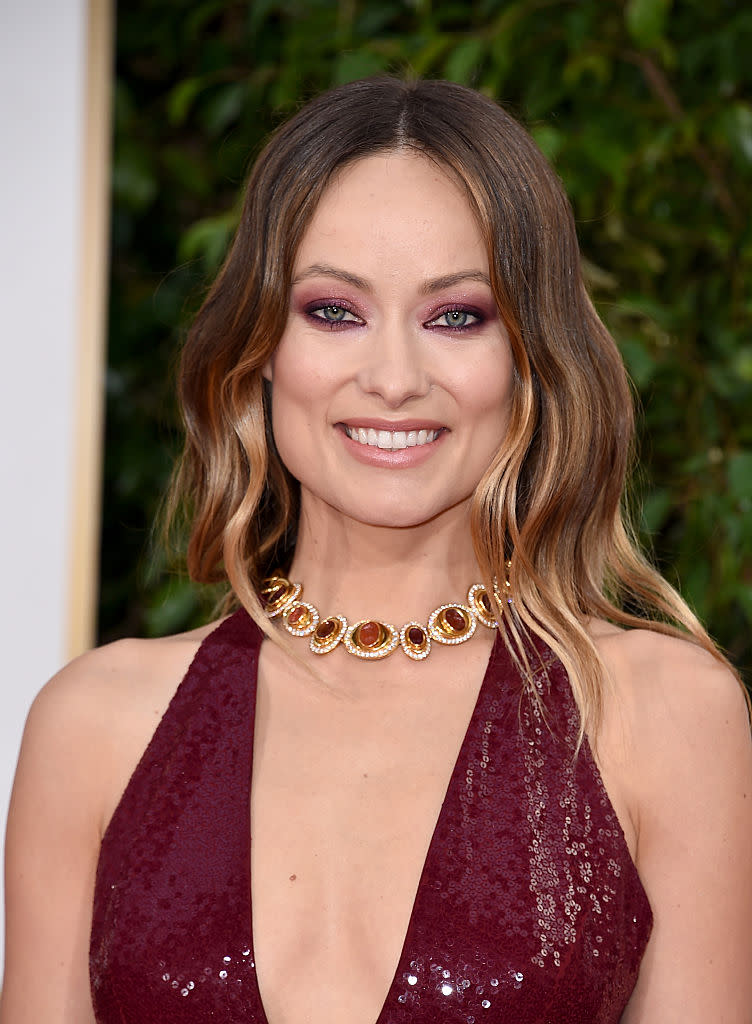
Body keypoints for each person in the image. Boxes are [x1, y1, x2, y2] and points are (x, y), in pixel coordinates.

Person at [1, 76, 751, 1024]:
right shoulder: (95, 728)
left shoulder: (662, 716)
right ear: (260, 345)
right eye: (334, 311)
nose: (393, 378)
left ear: (531, 358)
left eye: (456, 317)